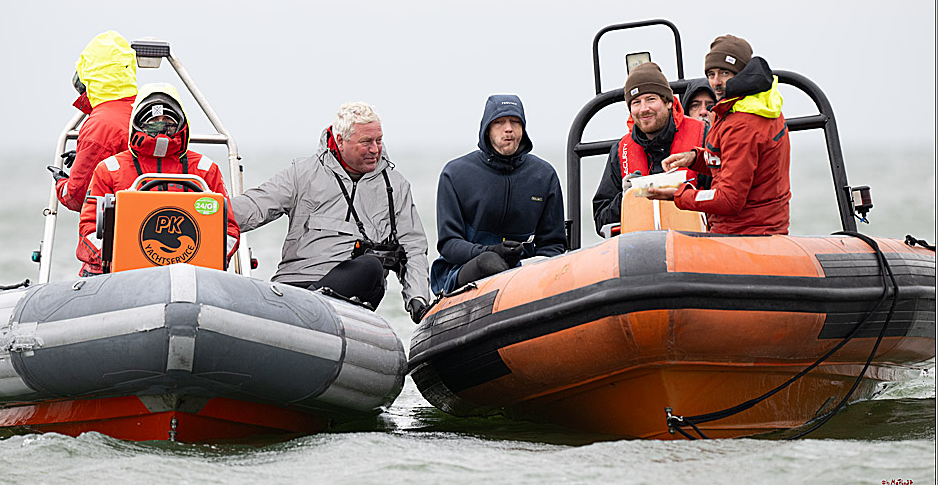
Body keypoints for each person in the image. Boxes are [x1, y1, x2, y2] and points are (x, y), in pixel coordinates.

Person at [231, 102, 430, 324]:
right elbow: (255, 205)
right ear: (340, 141)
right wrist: (207, 210)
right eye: (366, 142)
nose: (375, 149)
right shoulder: (303, 173)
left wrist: (418, 297)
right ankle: (300, 311)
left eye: (379, 140)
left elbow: (413, 248)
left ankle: (309, 311)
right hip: (294, 287)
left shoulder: (396, 186)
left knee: (371, 267)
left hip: (352, 291)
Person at [77, 83, 240, 276]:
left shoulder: (205, 170)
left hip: (192, 274)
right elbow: (89, 228)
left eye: (168, 120)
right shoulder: (110, 169)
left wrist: (208, 260)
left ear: (180, 122)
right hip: (118, 275)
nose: (161, 126)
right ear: (138, 122)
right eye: (153, 120)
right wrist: (119, 257)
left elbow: (229, 229)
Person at [647, 35, 791, 235]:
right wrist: (694, 158)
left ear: (742, 73)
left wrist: (679, 195)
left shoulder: (742, 124)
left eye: (725, 73)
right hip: (766, 229)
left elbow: (729, 200)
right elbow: (733, 163)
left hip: (745, 234)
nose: (716, 82)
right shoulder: (759, 106)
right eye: (711, 74)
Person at [430, 94, 567, 295]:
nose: (508, 128)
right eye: (499, 122)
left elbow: (553, 244)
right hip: (464, 269)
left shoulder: (544, 175)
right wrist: (489, 251)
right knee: (490, 262)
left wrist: (530, 267)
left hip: (524, 272)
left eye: (515, 122)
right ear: (487, 130)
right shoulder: (455, 174)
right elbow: (449, 244)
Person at [592, 62, 706, 236]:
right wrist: (625, 198)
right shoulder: (620, 151)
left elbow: (727, 197)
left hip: (698, 249)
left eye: (651, 99)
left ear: (669, 102)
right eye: (636, 102)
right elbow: (601, 220)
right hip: (639, 255)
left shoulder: (704, 136)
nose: (643, 109)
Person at [49, 31, 137, 212]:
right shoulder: (142, 109)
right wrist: (86, 157)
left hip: (112, 230)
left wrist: (61, 183)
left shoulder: (100, 124)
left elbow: (76, 197)